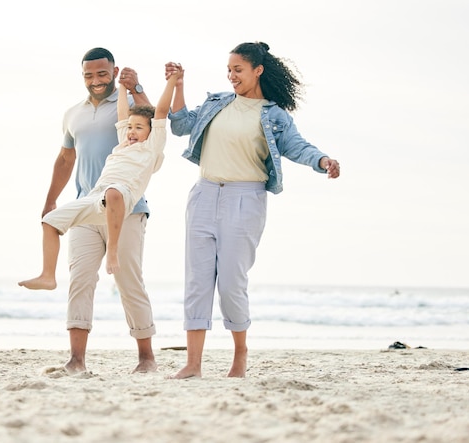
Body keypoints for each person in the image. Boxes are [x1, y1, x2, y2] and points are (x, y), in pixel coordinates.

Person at [165, 42, 341, 379]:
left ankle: (240, 356)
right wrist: (179, 85)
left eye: (238, 70)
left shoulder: (274, 115)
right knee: (197, 282)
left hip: (245, 198)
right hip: (203, 194)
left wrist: (322, 161)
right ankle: (193, 363)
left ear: (257, 70)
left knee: (232, 282)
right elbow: (180, 125)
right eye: (228, 70)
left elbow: (297, 147)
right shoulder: (218, 102)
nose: (231, 76)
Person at [24, 47, 158, 374]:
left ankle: (146, 359)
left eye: (101, 73)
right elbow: (65, 159)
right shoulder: (73, 114)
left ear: (112, 72)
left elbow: (154, 120)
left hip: (126, 207)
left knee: (129, 281)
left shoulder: (127, 108)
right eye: (88, 75)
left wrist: (136, 86)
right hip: (85, 206)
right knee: (80, 280)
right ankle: (76, 360)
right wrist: (51, 200)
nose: (95, 80)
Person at [19, 65, 180, 286]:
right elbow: (123, 113)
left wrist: (172, 80)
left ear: (151, 131)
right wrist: (122, 87)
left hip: (124, 195)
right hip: (97, 196)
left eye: (139, 128)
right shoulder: (125, 140)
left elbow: (160, 111)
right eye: (130, 127)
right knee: (49, 221)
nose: (132, 131)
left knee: (113, 192)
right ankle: (48, 276)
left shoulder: (152, 146)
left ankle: (112, 252)